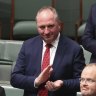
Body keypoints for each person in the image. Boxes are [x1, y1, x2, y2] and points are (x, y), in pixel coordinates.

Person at [10, 6, 85, 96]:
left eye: (50, 26)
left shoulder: (74, 49)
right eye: (42, 27)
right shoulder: (28, 46)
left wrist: (62, 83)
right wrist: (36, 81)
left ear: (59, 25)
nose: (46, 32)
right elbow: (15, 78)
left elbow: (82, 81)